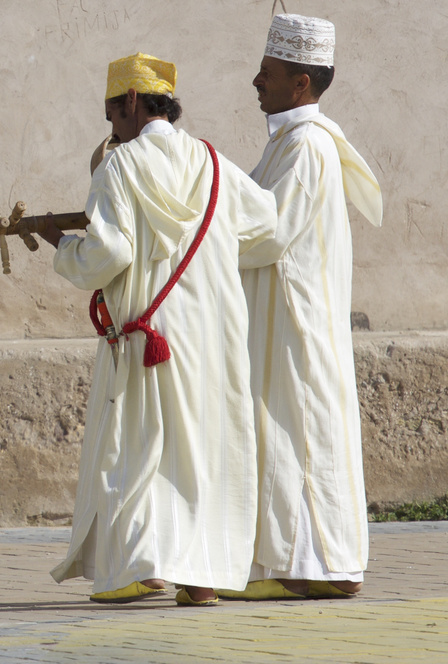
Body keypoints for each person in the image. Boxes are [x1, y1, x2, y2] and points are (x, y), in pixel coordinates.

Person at [38, 54, 278, 606]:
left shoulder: (118, 168)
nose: (111, 129)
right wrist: (211, 262)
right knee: (201, 450)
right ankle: (201, 579)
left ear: (129, 103)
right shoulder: (214, 163)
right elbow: (267, 225)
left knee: (138, 449)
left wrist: (61, 244)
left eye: (111, 116)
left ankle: (134, 570)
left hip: (149, 335)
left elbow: (109, 255)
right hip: (213, 335)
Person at [221, 15, 382, 601]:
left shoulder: (309, 146)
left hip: (296, 324)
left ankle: (318, 566)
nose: (255, 82)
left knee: (302, 430)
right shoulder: (287, 143)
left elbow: (270, 231)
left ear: (301, 83)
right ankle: (296, 563)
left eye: (268, 73)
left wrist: (203, 215)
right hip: (278, 319)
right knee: (284, 430)